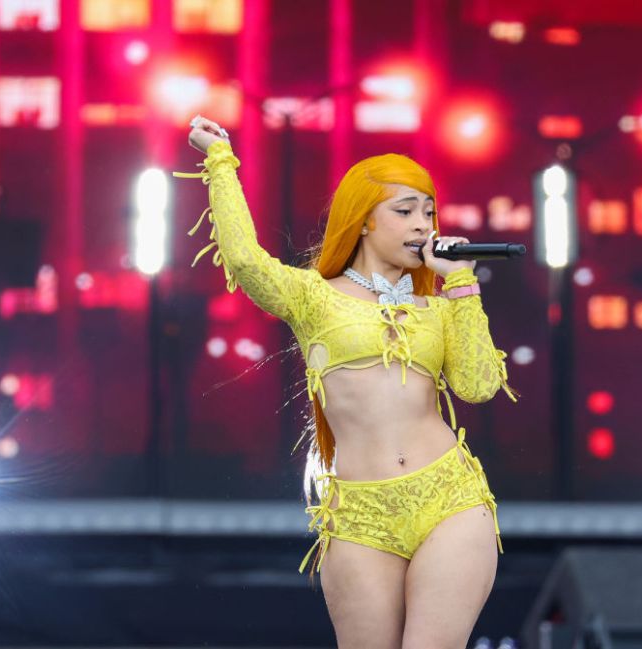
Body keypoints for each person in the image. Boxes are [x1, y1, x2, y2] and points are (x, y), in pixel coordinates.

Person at [175, 114, 518, 649]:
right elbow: (244, 261)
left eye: (428, 211)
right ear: (362, 221)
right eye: (404, 211)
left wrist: (463, 284)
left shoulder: (439, 305)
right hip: (358, 513)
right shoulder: (314, 297)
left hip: (450, 498)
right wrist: (220, 162)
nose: (422, 225)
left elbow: (477, 385)